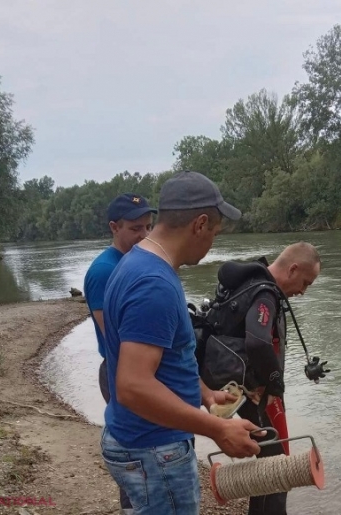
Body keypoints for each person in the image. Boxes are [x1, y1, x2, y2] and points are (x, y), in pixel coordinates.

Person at [100, 170, 263, 515]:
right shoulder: (154, 283)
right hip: (154, 449)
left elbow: (168, 358)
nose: (212, 243)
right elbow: (132, 386)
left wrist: (204, 395)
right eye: (215, 233)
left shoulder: (137, 262)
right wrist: (219, 428)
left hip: (140, 441)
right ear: (200, 224)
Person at [200, 242, 323, 515]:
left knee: (266, 457)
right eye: (305, 282)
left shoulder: (251, 282)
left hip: (229, 383)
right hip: (251, 391)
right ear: (292, 269)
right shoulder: (265, 294)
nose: (303, 291)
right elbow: (257, 342)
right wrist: (274, 384)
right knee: (276, 465)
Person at [83, 192, 157, 515]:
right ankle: (132, 507)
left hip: (137, 367)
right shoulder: (103, 271)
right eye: (135, 229)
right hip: (116, 369)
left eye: (149, 227)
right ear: (114, 227)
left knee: (150, 445)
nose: (144, 236)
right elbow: (114, 332)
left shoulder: (136, 261)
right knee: (132, 446)